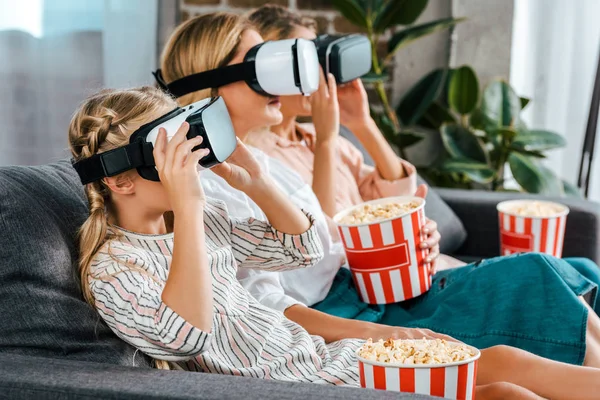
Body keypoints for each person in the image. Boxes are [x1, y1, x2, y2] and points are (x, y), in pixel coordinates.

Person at [156, 11, 600, 399]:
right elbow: (269, 297)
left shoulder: (262, 166)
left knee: (540, 280)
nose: (287, 81)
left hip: (363, 288)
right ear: (206, 81)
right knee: (522, 315)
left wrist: (358, 130)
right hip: (344, 306)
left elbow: (334, 234)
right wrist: (382, 330)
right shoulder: (211, 187)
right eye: (260, 66)